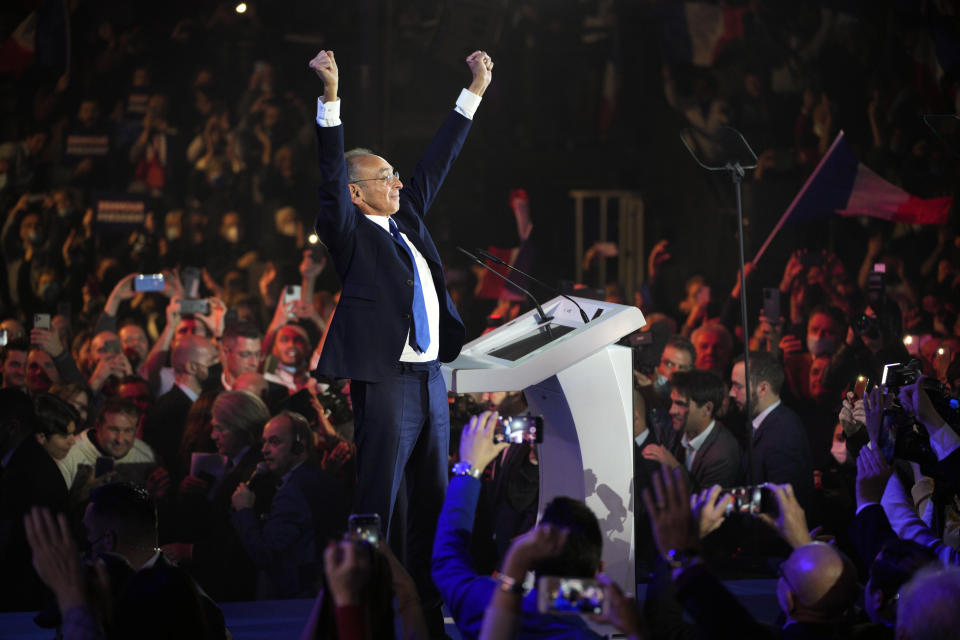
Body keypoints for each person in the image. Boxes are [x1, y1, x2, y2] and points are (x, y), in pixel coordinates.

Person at [308, 46, 492, 630]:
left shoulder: (406, 218)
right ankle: (364, 608)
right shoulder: (347, 231)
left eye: (393, 174)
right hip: (386, 380)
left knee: (431, 502)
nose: (395, 181)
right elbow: (331, 177)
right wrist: (332, 102)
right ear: (358, 192)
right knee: (376, 502)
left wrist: (475, 92)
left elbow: (438, 160)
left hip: (430, 376)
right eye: (383, 176)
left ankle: (429, 610)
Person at [432, 411, 609, 639]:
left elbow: (447, 558)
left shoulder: (483, 605)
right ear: (600, 570)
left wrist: (469, 467)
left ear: (532, 564)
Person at [230, 411, 348, 599]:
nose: (265, 449)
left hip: (295, 599)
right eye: (264, 442)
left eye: (274, 442)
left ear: (299, 447)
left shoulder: (293, 494)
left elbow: (264, 555)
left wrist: (244, 511)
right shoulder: (321, 479)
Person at [0, 393, 79, 611]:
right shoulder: (25, 463)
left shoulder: (29, 472)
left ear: (11, 427)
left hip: (21, 601)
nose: (72, 441)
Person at [730, 351, 814, 513]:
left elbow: (782, 506)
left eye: (738, 386)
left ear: (763, 388)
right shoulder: (768, 425)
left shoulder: (783, 433)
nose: (731, 392)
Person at [641, 369, 741, 492]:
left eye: (681, 404)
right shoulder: (676, 431)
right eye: (672, 402)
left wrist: (674, 467)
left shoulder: (722, 453)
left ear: (707, 409)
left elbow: (705, 505)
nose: (672, 410)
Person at [59, 396, 155, 489]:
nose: (119, 439)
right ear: (98, 425)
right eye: (114, 429)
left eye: (127, 430)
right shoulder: (68, 455)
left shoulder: (146, 455)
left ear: (137, 430)